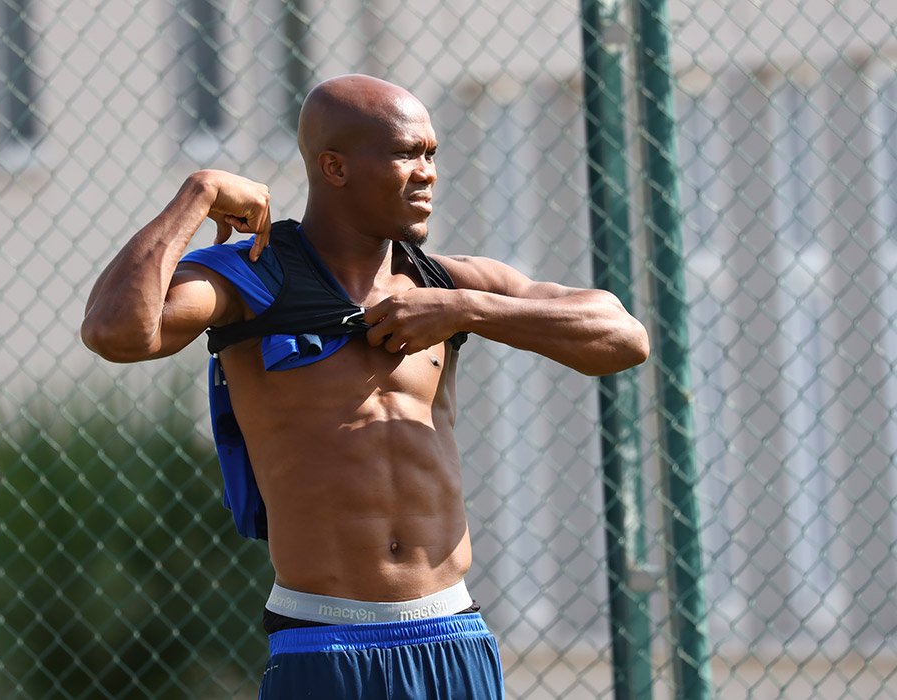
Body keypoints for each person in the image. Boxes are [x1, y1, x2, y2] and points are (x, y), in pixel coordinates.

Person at [81, 74, 649, 699]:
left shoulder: (446, 283)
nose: (428, 173)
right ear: (335, 167)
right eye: (407, 154)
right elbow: (116, 332)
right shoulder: (250, 281)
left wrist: (466, 309)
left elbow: (623, 337)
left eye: (431, 154)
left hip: (452, 635)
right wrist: (199, 193)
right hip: (324, 641)